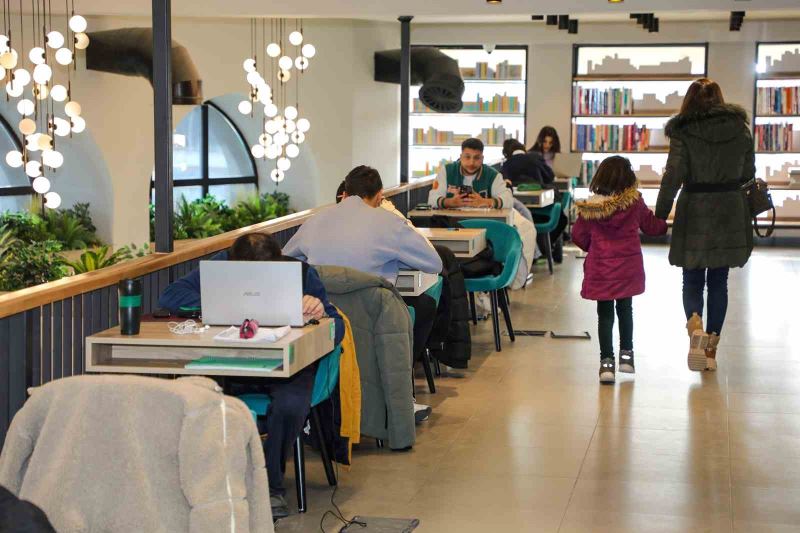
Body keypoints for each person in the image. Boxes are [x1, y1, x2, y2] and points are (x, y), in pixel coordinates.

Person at [158, 232, 344, 520]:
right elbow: (170, 296)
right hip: (230, 364)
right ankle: (208, 483)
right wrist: (223, 303)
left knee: (290, 405)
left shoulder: (301, 273)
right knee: (196, 394)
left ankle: (269, 486)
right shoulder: (221, 265)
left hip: (289, 365)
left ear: (278, 264)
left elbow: (338, 327)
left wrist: (318, 311)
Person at [284, 166, 442, 420]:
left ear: (345, 193)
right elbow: (434, 264)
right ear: (379, 196)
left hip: (322, 319)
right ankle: (397, 397)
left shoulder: (315, 221)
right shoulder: (390, 223)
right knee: (421, 308)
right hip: (373, 318)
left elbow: (285, 259)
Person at [655, 78, 755, 372]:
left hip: (695, 208)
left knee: (692, 278)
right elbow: (748, 172)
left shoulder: (684, 130)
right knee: (719, 281)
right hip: (729, 208)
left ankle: (695, 325)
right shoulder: (740, 129)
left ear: (689, 101)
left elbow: (673, 174)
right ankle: (710, 351)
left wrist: (660, 213)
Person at [572, 156, 667, 384]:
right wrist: (666, 222)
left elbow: (577, 235)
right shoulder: (634, 203)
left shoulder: (591, 207)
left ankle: (606, 364)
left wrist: (593, 248)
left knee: (605, 315)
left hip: (601, 269)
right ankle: (627, 357)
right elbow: (652, 227)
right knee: (625, 310)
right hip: (627, 269)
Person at [428, 137, 513, 210]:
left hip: (482, 221)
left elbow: (509, 200)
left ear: (482, 159)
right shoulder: (447, 171)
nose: (471, 162)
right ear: (461, 157)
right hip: (451, 222)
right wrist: (450, 202)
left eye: (476, 158)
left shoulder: (492, 175)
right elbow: (431, 200)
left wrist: (485, 202)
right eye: (467, 157)